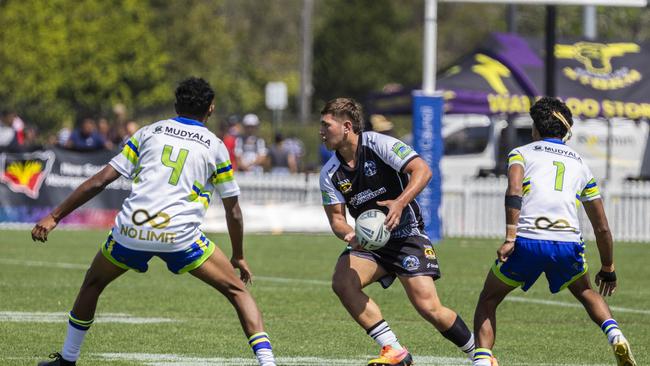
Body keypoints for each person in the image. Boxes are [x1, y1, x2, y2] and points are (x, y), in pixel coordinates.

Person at [32, 77, 277, 366]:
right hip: (180, 236)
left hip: (133, 228)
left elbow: (100, 181)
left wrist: (54, 216)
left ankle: (67, 360)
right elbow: (233, 211)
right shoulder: (215, 146)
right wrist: (239, 255)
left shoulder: (150, 131)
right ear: (211, 109)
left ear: (176, 105)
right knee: (237, 291)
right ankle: (267, 363)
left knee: (93, 283)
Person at [471, 97, 636, 366]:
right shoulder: (581, 164)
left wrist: (510, 237)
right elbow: (602, 226)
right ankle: (615, 334)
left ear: (536, 128)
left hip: (528, 240)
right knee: (586, 292)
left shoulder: (521, 153)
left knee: (489, 298)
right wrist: (608, 267)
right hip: (567, 242)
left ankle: (481, 361)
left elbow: (514, 191)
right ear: (566, 130)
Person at [318, 98, 475, 366]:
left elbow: (422, 170)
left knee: (430, 308)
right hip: (371, 245)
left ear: (346, 126)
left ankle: (480, 355)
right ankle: (394, 350)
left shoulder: (380, 144)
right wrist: (351, 236)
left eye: (325, 125)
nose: (321, 132)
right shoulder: (330, 173)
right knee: (343, 282)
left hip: (406, 236)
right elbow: (336, 219)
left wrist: (400, 203)